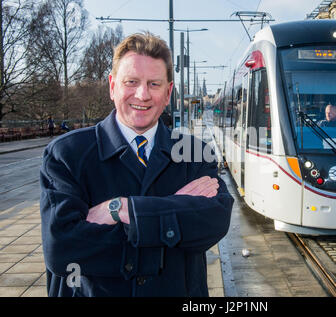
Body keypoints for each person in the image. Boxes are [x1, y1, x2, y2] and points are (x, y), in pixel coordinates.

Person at [40, 32, 234, 297]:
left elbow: (214, 222)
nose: (142, 95)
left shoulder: (195, 153)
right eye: (131, 82)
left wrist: (123, 209)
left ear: (168, 93)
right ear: (112, 86)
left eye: (154, 84)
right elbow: (62, 248)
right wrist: (172, 224)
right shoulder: (66, 154)